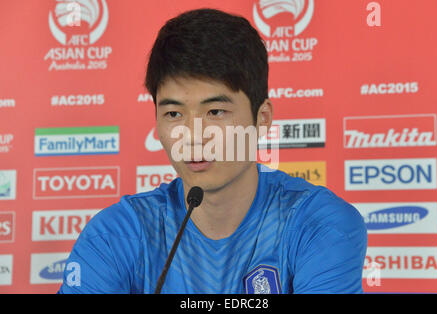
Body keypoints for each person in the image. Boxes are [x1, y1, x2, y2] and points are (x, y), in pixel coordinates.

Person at [58, 8, 367, 294]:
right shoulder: (116, 234)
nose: (193, 137)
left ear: (262, 119)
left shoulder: (318, 224)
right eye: (174, 114)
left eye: (216, 112)